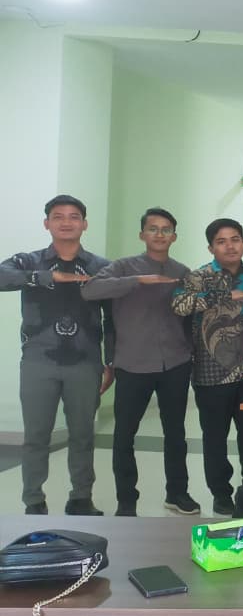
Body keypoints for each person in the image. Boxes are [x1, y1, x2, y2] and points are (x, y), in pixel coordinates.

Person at [0, 195, 114, 516]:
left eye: (74, 216)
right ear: (46, 223)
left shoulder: (101, 267)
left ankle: (81, 498)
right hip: (38, 363)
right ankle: (33, 501)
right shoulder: (29, 261)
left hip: (85, 363)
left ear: (84, 224)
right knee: (36, 436)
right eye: (58, 216)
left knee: (83, 435)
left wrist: (111, 361)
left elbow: (113, 317)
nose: (66, 222)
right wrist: (46, 277)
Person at [82, 207, 194, 517]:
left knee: (176, 433)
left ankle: (178, 494)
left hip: (175, 363)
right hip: (132, 364)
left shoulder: (183, 272)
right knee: (124, 435)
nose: (159, 234)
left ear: (174, 236)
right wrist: (137, 280)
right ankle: (126, 500)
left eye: (166, 229)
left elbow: (191, 315)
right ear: (142, 234)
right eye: (153, 228)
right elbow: (89, 290)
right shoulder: (122, 267)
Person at [171, 218, 243, 518]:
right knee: (214, 437)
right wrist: (223, 297)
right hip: (211, 372)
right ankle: (221, 494)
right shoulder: (199, 277)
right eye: (221, 241)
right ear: (211, 247)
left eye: (235, 239)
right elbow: (179, 306)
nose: (230, 246)